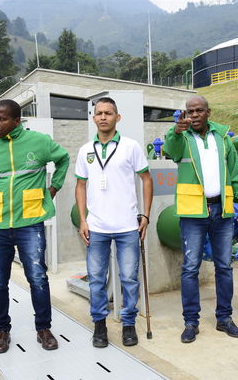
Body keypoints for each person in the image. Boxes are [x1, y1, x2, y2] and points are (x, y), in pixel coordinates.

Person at [0, 99, 70, 354]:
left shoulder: (39, 142)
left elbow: (63, 159)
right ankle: (1, 331)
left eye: (2, 119)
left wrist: (53, 188)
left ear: (16, 121)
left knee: (38, 278)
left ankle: (43, 328)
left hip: (30, 223)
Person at [163, 95, 238, 343]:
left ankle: (225, 319)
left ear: (208, 112)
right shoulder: (182, 138)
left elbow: (234, 171)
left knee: (224, 266)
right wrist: (176, 132)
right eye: (190, 111)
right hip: (193, 214)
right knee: (190, 268)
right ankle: (191, 322)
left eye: (199, 110)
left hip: (221, 212)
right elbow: (171, 150)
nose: (195, 115)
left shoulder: (222, 138)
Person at [75, 97, 153, 348]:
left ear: (117, 117)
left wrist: (146, 215)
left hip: (127, 226)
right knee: (97, 279)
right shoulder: (85, 150)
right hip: (96, 227)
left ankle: (128, 323)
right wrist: (83, 220)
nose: (103, 117)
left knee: (129, 278)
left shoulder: (131, 147)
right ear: (93, 117)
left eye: (109, 113)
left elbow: (147, 180)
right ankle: (99, 325)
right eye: (99, 113)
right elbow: (80, 186)